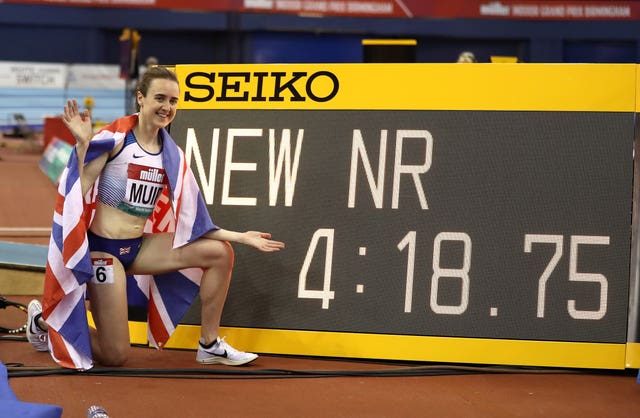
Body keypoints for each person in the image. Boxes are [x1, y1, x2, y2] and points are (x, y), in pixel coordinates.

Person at [26, 66, 285, 370]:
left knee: (219, 253)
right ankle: (45, 320)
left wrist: (241, 237)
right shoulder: (117, 140)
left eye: (173, 101)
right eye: (160, 98)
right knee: (115, 355)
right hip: (103, 254)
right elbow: (78, 190)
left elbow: (194, 221)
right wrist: (84, 146)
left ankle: (210, 345)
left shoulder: (171, 154)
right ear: (141, 99)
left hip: (139, 248)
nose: (167, 107)